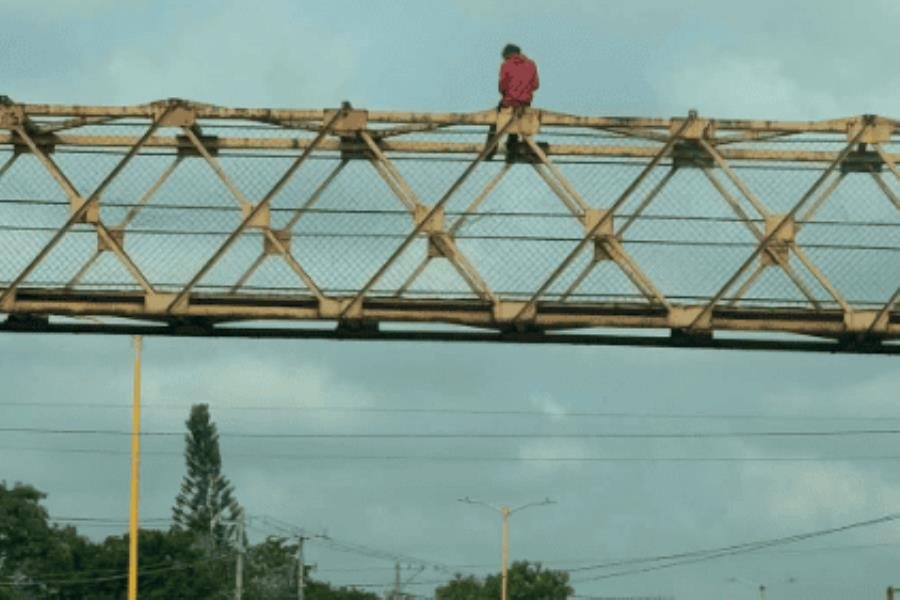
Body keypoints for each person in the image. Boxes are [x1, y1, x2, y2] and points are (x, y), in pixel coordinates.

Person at [486, 43, 539, 160]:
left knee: (494, 121)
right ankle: (512, 149)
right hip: (525, 104)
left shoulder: (506, 65)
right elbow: (535, 85)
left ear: (506, 55)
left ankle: (490, 150)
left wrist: (510, 94)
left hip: (509, 102)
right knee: (515, 124)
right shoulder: (531, 64)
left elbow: (502, 87)